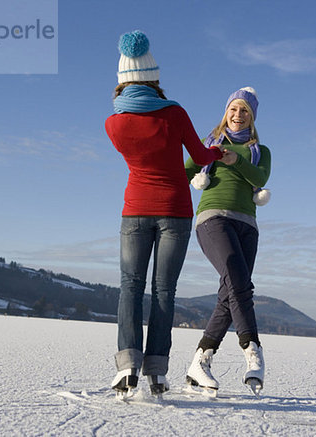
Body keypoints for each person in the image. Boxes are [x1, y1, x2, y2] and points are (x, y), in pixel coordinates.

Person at [104, 30, 223, 398]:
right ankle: (156, 373)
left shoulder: (114, 123)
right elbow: (201, 158)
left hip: (134, 210)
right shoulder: (174, 113)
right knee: (163, 292)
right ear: (153, 75)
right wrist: (218, 152)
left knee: (130, 288)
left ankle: (127, 368)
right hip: (175, 211)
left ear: (122, 79)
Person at [184, 87, 271, 396]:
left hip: (248, 225)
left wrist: (235, 160)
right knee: (237, 279)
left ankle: (200, 361)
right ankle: (252, 348)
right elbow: (183, 172)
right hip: (213, 219)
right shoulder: (209, 146)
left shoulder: (260, 151)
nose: (238, 114)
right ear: (226, 112)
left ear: (252, 116)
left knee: (230, 290)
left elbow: (260, 179)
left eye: (245, 110)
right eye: (233, 108)